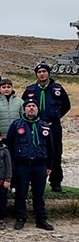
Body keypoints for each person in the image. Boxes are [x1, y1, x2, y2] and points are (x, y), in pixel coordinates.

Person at [7, 100, 54, 231]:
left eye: (34, 106)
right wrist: (12, 165)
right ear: (24, 109)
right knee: (21, 193)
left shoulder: (44, 126)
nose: (31, 108)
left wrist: (49, 165)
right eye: (28, 106)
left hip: (40, 164)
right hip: (22, 164)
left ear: (37, 109)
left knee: (39, 193)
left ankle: (41, 219)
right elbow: (10, 145)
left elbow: (51, 147)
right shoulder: (16, 125)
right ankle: (20, 218)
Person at [23, 62, 70, 192]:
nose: (42, 74)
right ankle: (34, 182)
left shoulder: (57, 89)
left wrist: (55, 116)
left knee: (56, 152)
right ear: (36, 74)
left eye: (44, 71)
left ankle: (56, 182)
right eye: (39, 72)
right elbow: (24, 105)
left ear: (48, 73)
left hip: (53, 125)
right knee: (36, 152)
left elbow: (66, 105)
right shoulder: (30, 90)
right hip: (36, 126)